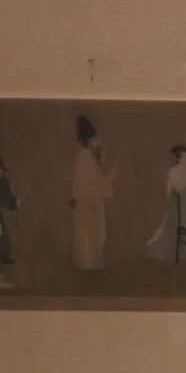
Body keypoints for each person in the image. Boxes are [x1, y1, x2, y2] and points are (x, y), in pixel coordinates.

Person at [69, 115, 115, 270]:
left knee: (94, 232)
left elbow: (97, 180)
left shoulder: (92, 158)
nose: (95, 142)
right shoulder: (83, 159)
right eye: (92, 140)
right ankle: (87, 263)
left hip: (92, 201)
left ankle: (92, 262)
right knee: (88, 232)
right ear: (86, 141)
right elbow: (82, 182)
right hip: (87, 202)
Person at [146, 145, 186, 262]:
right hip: (177, 205)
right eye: (185, 157)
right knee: (174, 221)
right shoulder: (173, 171)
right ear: (179, 158)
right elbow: (172, 191)